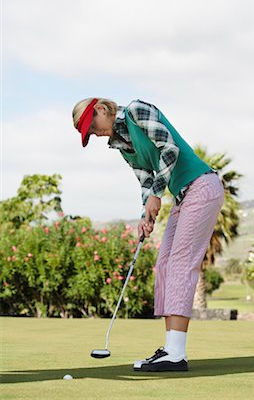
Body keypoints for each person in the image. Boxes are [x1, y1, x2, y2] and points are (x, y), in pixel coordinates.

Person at [72, 97, 225, 372]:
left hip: (202, 187)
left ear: (101, 109)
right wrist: (146, 213)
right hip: (183, 196)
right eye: (90, 133)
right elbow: (145, 178)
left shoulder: (136, 111)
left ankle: (176, 354)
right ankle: (170, 349)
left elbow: (170, 149)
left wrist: (156, 194)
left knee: (179, 263)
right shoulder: (121, 144)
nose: (95, 133)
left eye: (92, 125)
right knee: (164, 264)